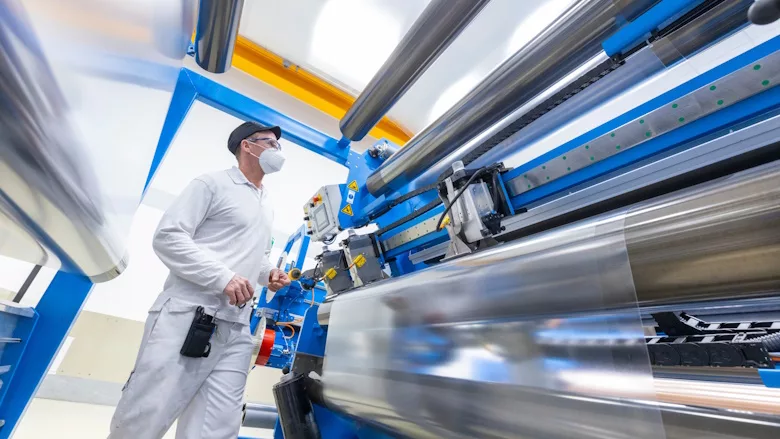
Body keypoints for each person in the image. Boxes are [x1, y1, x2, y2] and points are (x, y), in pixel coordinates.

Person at [109, 121, 291, 439]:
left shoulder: (266, 205)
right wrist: (222, 278)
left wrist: (269, 273)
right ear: (247, 146)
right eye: (270, 143)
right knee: (147, 413)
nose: (277, 150)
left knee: (217, 426)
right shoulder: (212, 184)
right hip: (190, 314)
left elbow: (253, 256)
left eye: (279, 145)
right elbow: (168, 237)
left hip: (236, 327)